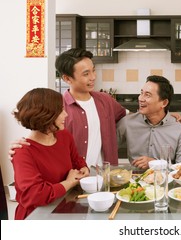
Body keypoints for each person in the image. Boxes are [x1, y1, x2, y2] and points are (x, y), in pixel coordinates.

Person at [10, 48, 126, 167]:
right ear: (67, 78)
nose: (93, 77)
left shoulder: (105, 100)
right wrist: (21, 148)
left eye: (93, 71)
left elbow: (128, 119)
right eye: (86, 74)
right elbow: (40, 139)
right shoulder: (57, 108)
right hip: (71, 178)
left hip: (106, 175)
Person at [11, 88, 89, 220]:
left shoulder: (64, 136)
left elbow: (77, 161)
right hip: (36, 216)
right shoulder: (22, 152)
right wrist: (70, 182)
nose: (66, 114)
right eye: (60, 111)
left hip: (63, 208)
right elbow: (35, 195)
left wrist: (84, 169)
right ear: (44, 115)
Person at [117, 75, 181, 169]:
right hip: (135, 181)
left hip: (166, 181)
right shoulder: (127, 123)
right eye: (141, 93)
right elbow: (106, 148)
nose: (140, 98)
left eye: (147, 95)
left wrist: (155, 164)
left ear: (164, 103)